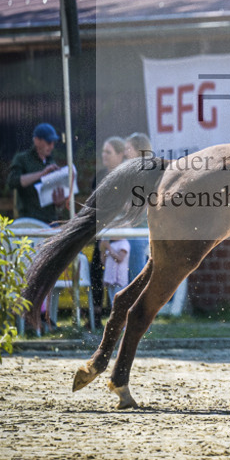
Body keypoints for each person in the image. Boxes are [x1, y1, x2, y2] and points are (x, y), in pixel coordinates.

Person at [90, 136, 126, 321]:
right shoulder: (100, 176)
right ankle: (96, 312)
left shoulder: (127, 175)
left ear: (120, 155)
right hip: (103, 227)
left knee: (118, 273)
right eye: (103, 151)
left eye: (108, 152)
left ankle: (118, 312)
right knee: (97, 268)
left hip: (121, 229)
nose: (104, 155)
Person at [6, 123, 67, 224]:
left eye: (53, 143)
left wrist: (59, 203)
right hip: (29, 221)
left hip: (50, 221)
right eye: (48, 142)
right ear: (36, 140)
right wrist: (42, 174)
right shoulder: (22, 159)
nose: (51, 146)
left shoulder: (51, 161)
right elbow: (12, 181)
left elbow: (58, 202)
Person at [123, 132, 152, 281]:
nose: (125, 152)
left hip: (142, 230)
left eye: (129, 149)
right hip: (129, 228)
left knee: (133, 244)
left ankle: (139, 291)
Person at [101, 237, 130, 310]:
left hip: (120, 279)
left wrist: (108, 247)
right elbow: (104, 262)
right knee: (113, 304)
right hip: (110, 278)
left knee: (119, 303)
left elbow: (120, 258)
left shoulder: (124, 243)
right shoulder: (112, 244)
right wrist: (102, 250)